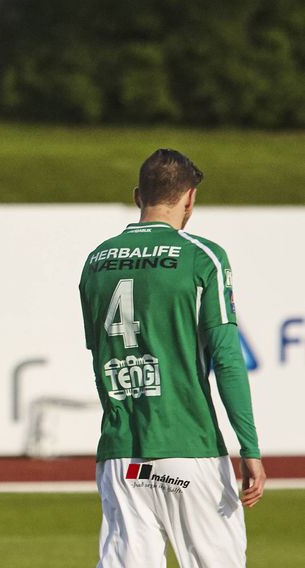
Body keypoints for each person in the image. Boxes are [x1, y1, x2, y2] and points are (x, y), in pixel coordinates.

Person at [78, 149, 266, 567]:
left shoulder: (96, 262)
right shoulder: (203, 257)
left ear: (137, 196)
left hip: (121, 454)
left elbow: (98, 353)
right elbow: (227, 360)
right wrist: (249, 447)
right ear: (190, 199)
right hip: (188, 446)